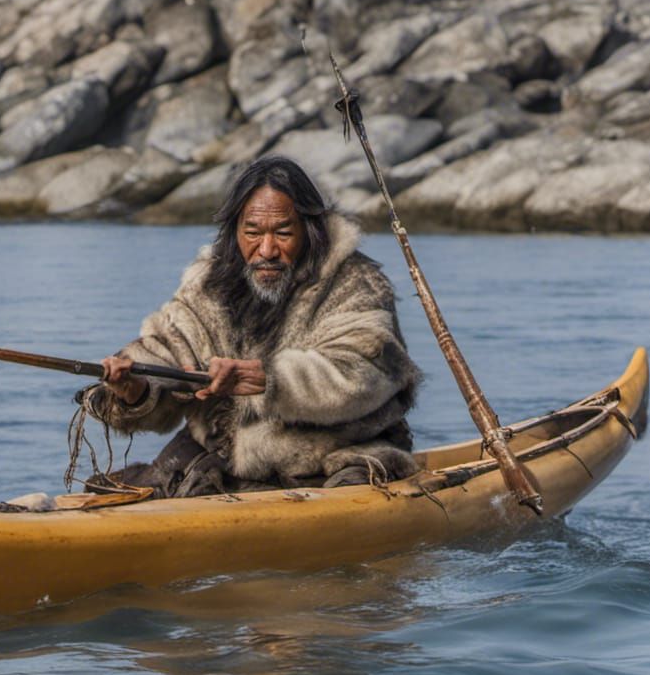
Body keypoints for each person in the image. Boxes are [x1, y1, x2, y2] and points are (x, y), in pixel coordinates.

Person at [84, 156, 422, 497]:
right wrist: (136, 389)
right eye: (253, 232)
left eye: (283, 233)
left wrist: (269, 381)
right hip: (222, 454)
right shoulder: (209, 284)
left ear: (309, 230)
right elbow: (169, 347)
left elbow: (363, 370)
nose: (267, 249)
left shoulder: (355, 282)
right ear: (235, 231)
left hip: (334, 455)